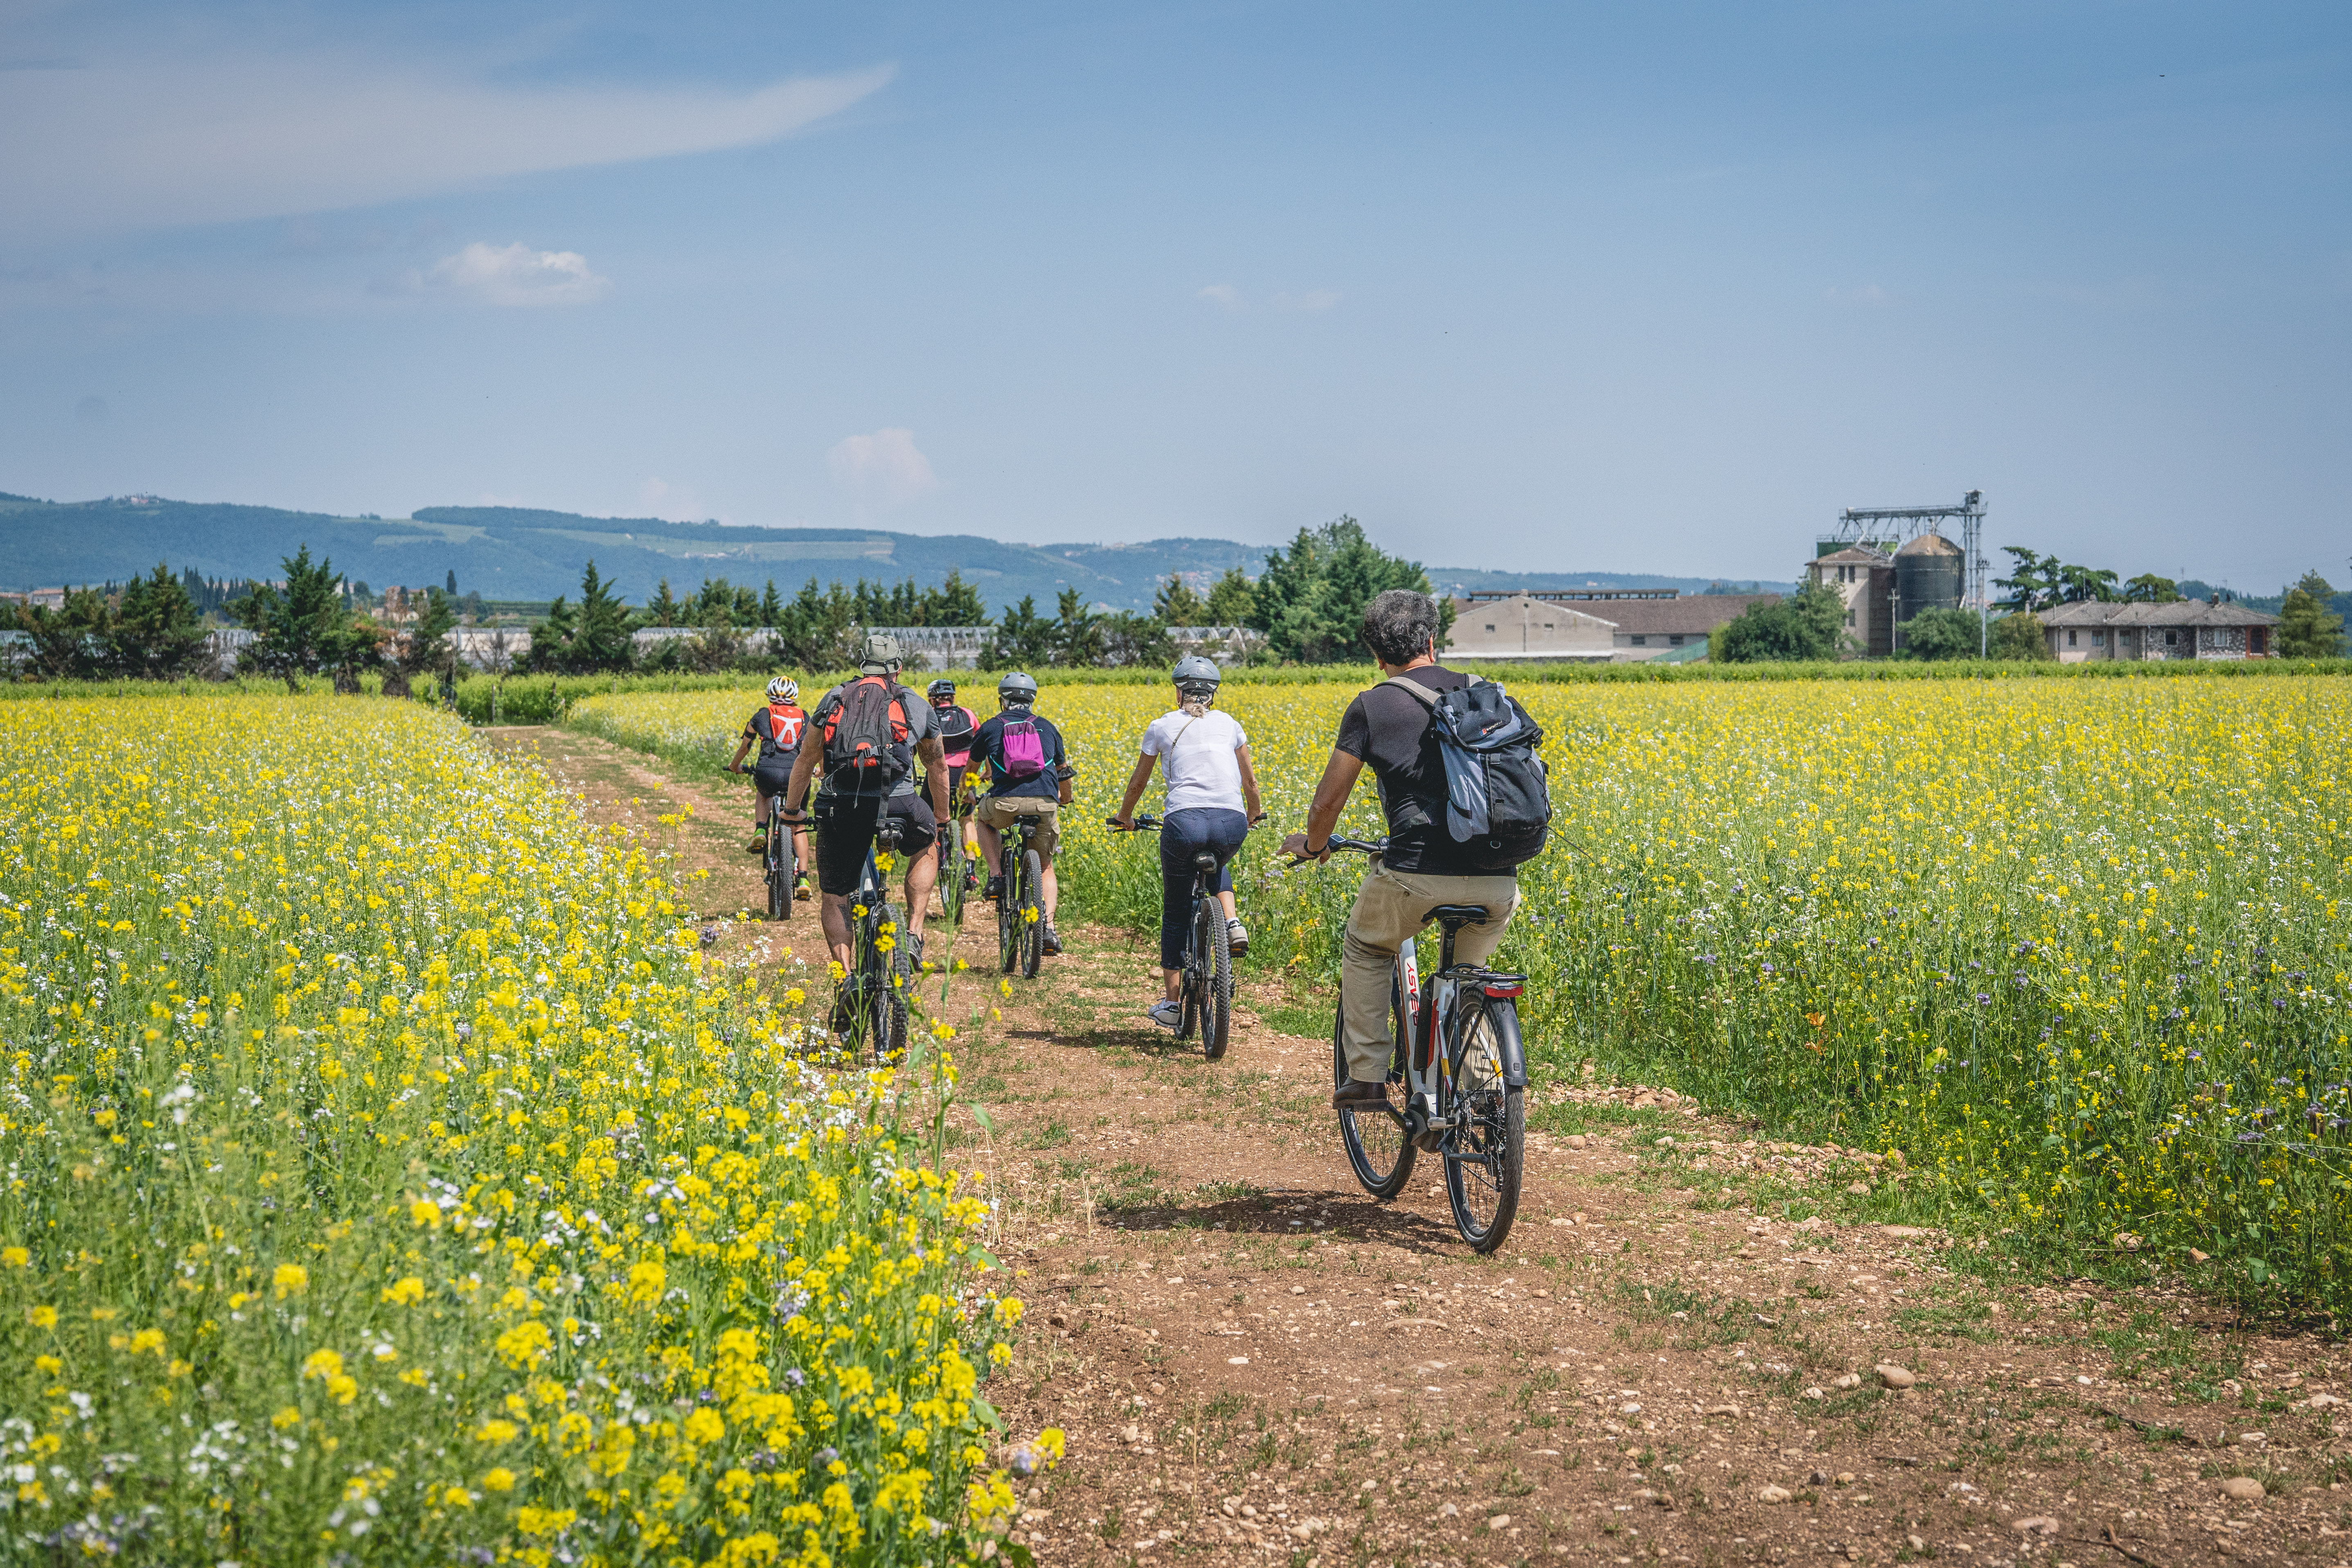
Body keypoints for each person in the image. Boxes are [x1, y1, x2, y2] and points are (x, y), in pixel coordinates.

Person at [1281, 589, 1522, 1110]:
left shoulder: (1374, 704)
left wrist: (1313, 845)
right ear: (1433, 640)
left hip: (1415, 874)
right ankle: (1484, 1094)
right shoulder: (1488, 694)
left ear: (1377, 653)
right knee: (1468, 974)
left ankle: (1367, 1075)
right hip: (1499, 879)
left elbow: (1328, 803)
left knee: (1367, 946)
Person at [777, 634, 952, 987]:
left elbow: (807, 758)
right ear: (898, 668)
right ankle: (915, 931)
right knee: (926, 842)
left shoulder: (834, 698)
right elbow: (937, 766)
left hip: (841, 805)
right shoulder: (915, 704)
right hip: (900, 803)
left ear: (861, 665)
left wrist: (791, 810)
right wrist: (942, 819)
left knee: (836, 894)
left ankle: (846, 979)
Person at [1109, 654, 1263, 1030]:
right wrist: (1253, 814)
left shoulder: (1162, 726)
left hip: (1183, 822)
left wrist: (1126, 817)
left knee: (1177, 907)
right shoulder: (1230, 724)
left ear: (1179, 692)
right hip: (1231, 821)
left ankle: (1173, 1003)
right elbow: (1250, 783)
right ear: (1213, 694)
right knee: (1219, 863)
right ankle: (1232, 922)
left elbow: (1138, 783)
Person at [971, 670, 1074, 957]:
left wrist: (967, 791)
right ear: (1032, 699)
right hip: (1044, 805)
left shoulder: (991, 727)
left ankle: (995, 876)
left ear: (1003, 700)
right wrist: (1065, 800)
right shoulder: (1048, 727)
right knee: (1045, 867)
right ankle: (1049, 929)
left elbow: (972, 768)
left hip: (1004, 805)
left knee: (983, 818)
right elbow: (1063, 771)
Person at [727, 675, 812, 898]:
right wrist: (820, 769)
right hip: (797, 775)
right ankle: (803, 877)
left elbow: (746, 745)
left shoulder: (763, 714)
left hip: (768, 771)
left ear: (770, 695)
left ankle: (761, 830)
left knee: (764, 794)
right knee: (799, 823)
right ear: (794, 697)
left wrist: (735, 766)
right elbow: (816, 747)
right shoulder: (805, 717)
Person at [926, 677, 983, 881]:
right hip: (964, 775)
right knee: (968, 820)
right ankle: (971, 870)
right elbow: (980, 741)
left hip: (939, 773)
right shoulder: (967, 714)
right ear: (953, 697)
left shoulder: (929, 715)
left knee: (932, 817)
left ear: (933, 699)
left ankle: (934, 863)